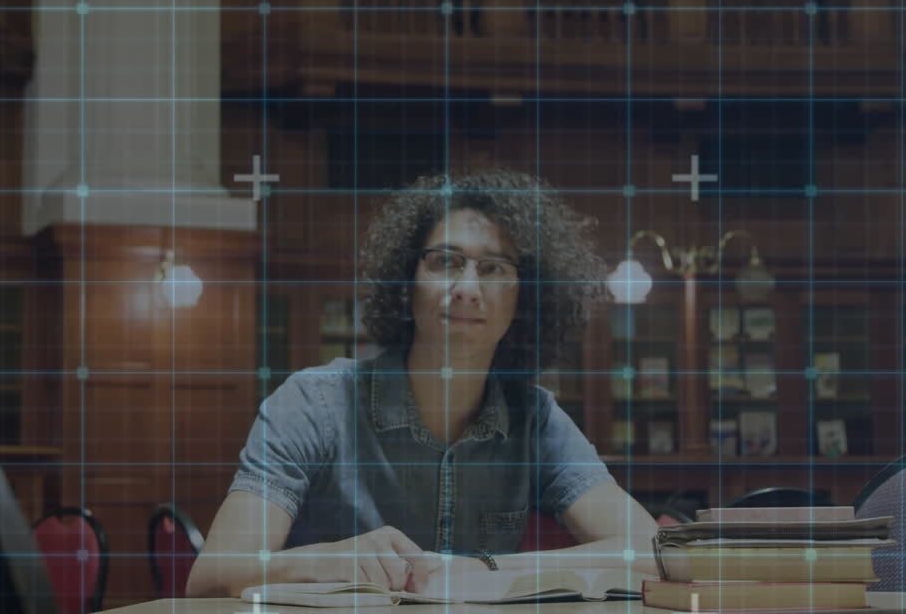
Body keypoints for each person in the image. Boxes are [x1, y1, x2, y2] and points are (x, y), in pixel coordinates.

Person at [186, 169, 659, 598]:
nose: (468, 287)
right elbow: (210, 579)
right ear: (405, 282)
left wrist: (487, 569)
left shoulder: (535, 420)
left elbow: (649, 550)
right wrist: (328, 560)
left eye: (494, 268)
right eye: (445, 262)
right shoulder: (313, 402)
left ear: (526, 298)